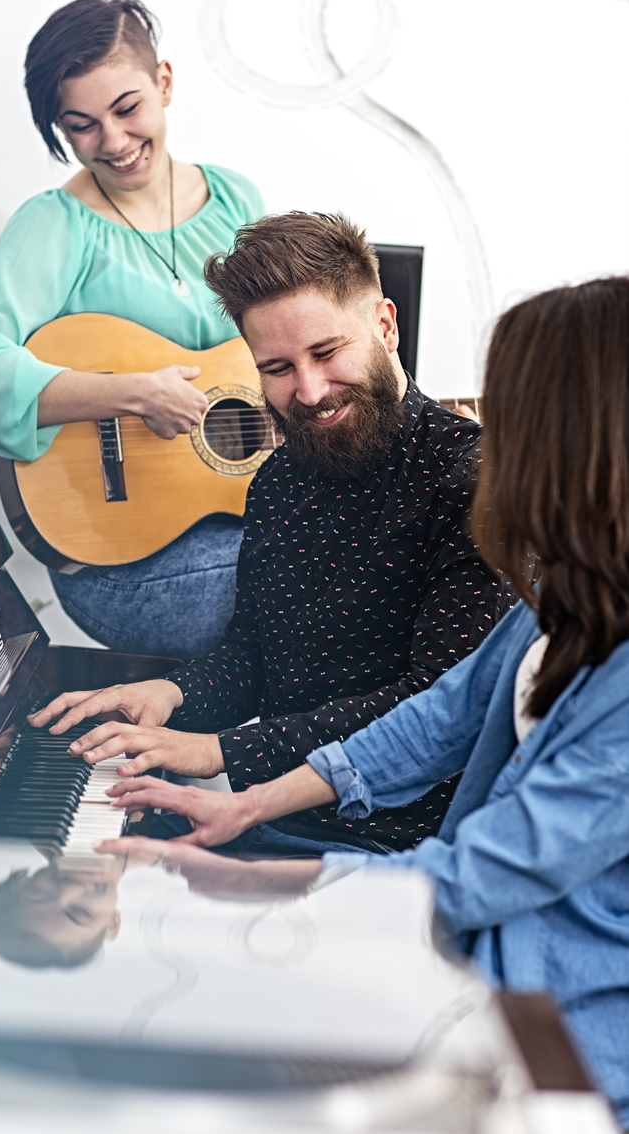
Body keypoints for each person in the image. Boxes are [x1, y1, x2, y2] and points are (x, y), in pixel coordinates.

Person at [100, 276, 629, 1124]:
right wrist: (246, 807)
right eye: (278, 365)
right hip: (463, 941)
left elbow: (485, 873)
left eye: (518, 415)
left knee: (185, 1026)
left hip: (556, 1033)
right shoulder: (568, 598)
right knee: (157, 987)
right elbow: (441, 717)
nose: (499, 438)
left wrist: (261, 878)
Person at [30, 212, 515, 854]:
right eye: (277, 368)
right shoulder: (280, 477)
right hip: (273, 820)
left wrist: (219, 751)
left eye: (325, 352)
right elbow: (258, 651)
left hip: (396, 848)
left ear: (385, 325)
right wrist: (170, 694)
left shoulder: (476, 481)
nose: (309, 390)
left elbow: (440, 706)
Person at [0, 0, 265, 658]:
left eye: (127, 109)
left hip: (235, 520)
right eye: (81, 125)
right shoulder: (53, 225)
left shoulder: (238, 200)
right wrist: (133, 394)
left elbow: (277, 349)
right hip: (117, 565)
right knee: (319, 567)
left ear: (166, 83)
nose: (114, 143)